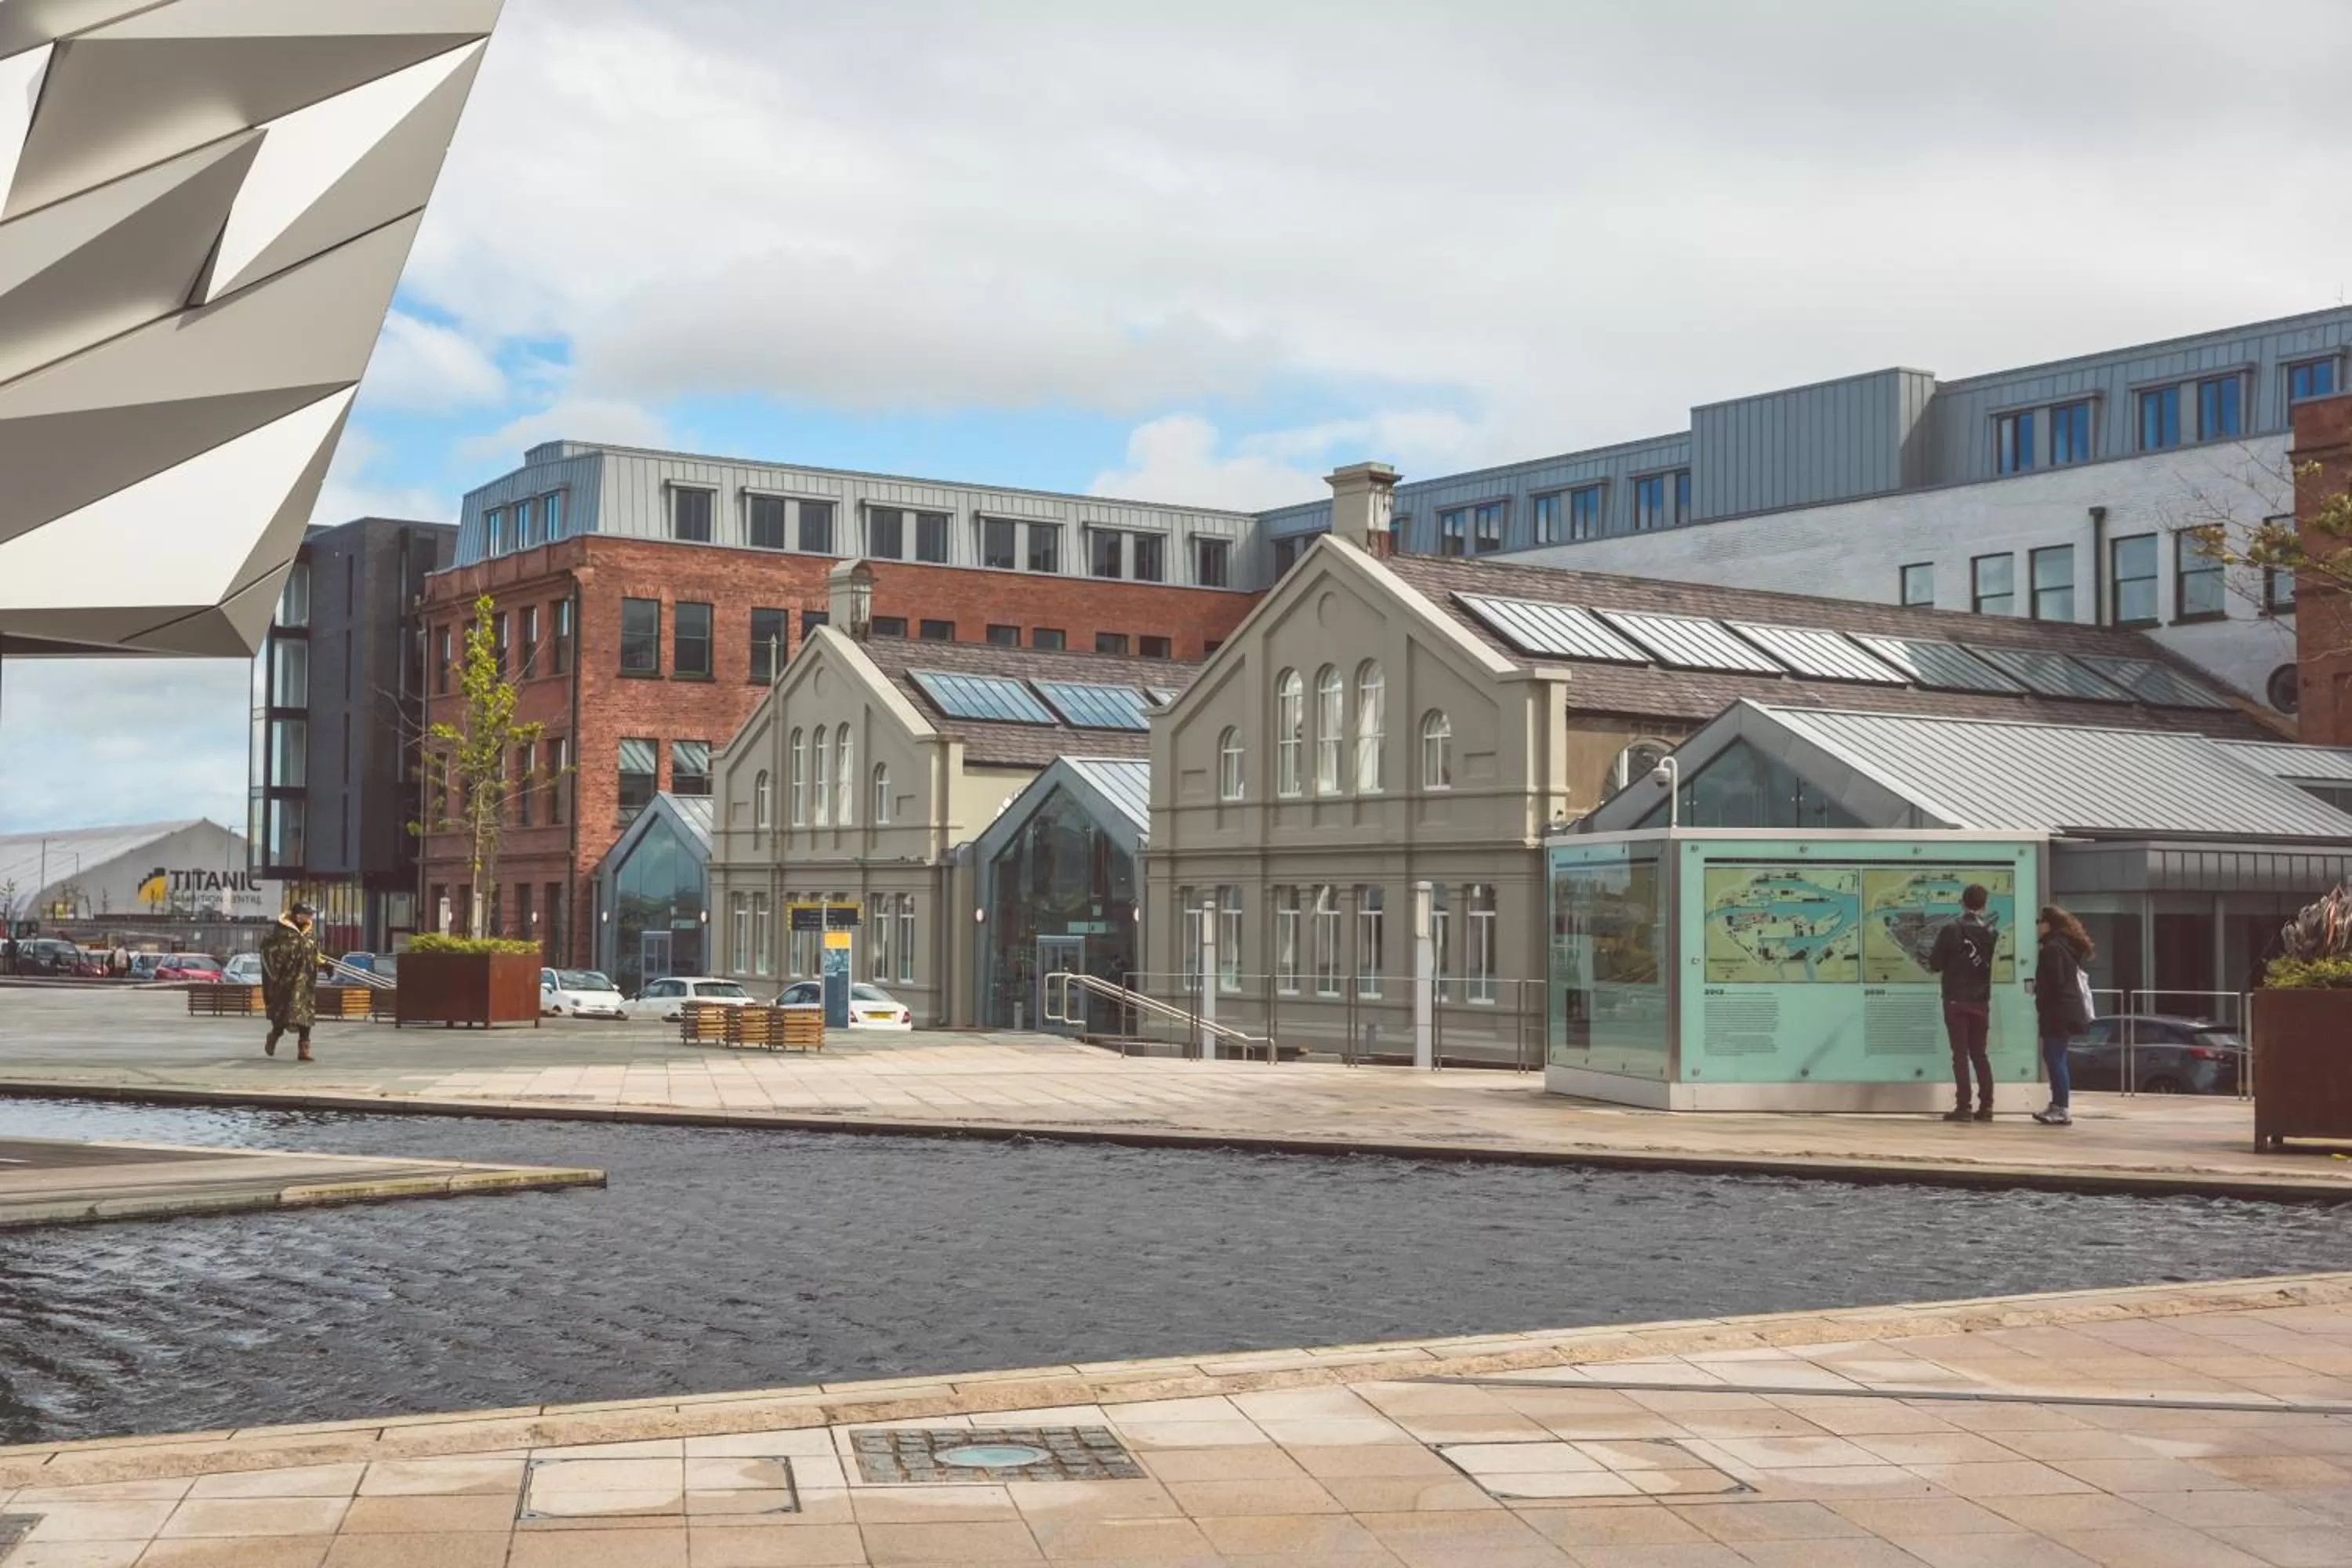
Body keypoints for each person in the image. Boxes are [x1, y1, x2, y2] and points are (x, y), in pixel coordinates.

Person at [1926, 884, 2000, 1122]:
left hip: (1956, 998)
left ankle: (1964, 1106)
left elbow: (1935, 963)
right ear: (1984, 905)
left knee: (1960, 1054)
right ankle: (1987, 1105)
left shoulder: (1952, 929)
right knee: (1980, 1053)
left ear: (1962, 903)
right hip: (1980, 1000)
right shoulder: (1991, 933)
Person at [2030, 907, 2096, 1127]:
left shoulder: (2053, 949)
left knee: (2055, 1058)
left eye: (2039, 921)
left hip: (2058, 1013)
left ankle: (2061, 1107)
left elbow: (2055, 983)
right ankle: (2058, 1105)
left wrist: (2039, 990)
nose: (2037, 926)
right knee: (2056, 1057)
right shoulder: (2063, 947)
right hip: (2064, 1010)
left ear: (2049, 924)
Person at [260, 902, 322, 1062]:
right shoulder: (281, 931)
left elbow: (313, 948)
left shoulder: (309, 931)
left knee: (305, 1016)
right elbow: (269, 952)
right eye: (306, 914)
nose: (309, 917)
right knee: (283, 1015)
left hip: (305, 981)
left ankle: (304, 1050)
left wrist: (317, 957)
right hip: (286, 982)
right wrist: (275, 974)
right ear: (297, 915)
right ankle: (274, 1036)